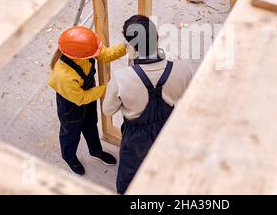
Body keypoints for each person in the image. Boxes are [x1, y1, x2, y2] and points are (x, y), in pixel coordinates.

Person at [103, 15, 193, 194]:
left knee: (130, 174)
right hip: (168, 128)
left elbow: (108, 110)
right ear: (157, 36)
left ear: (131, 45)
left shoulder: (122, 78)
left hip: (137, 137)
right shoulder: (182, 68)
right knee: (163, 166)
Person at [48, 26, 126, 175]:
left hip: (88, 95)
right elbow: (81, 98)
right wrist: (107, 88)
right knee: (71, 132)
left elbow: (105, 55)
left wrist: (125, 46)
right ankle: (69, 157)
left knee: (90, 124)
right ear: (79, 56)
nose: (95, 53)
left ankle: (96, 151)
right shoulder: (63, 75)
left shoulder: (86, 49)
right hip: (71, 105)